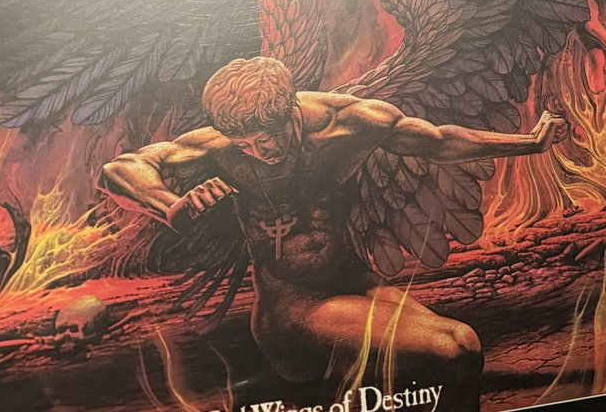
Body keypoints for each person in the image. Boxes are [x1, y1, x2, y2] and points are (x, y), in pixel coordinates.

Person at [100, 56, 568, 410]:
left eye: (266, 138)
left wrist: (530, 143)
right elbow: (120, 169)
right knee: (454, 349)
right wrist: (169, 206)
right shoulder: (220, 148)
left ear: (290, 109)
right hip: (293, 310)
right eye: (245, 144)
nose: (258, 152)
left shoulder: (345, 123)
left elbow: (438, 141)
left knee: (464, 350)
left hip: (359, 286)